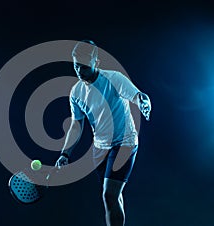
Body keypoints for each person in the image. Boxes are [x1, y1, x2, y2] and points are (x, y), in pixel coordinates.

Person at [55, 40, 151, 226]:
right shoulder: (76, 92)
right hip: (100, 149)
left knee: (109, 195)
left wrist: (143, 102)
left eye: (84, 67)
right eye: (76, 66)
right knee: (113, 197)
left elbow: (137, 95)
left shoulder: (114, 78)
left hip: (124, 142)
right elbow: (76, 125)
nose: (80, 71)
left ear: (96, 63)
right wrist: (65, 153)